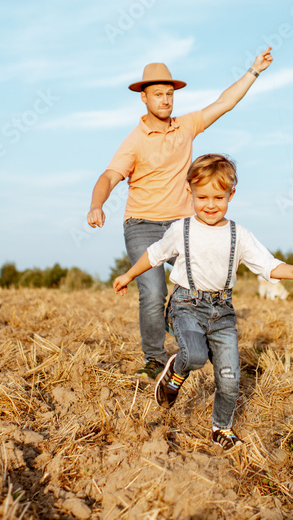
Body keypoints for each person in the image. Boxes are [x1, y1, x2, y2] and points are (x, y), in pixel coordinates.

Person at [112, 154, 293, 449]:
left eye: (218, 197)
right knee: (195, 355)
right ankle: (175, 372)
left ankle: (221, 428)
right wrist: (128, 275)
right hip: (187, 306)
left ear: (231, 195)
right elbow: (154, 254)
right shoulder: (181, 230)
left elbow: (267, 264)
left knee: (229, 377)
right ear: (190, 193)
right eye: (202, 197)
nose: (210, 204)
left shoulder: (239, 234)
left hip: (223, 313)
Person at [88, 50, 273, 385]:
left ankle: (192, 326)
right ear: (143, 98)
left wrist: (253, 71)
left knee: (203, 281)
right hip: (142, 225)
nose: (166, 100)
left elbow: (223, 103)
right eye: (158, 94)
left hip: (181, 226)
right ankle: (154, 359)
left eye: (170, 94)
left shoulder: (185, 127)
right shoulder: (134, 142)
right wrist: (96, 205)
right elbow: (109, 177)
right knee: (154, 290)